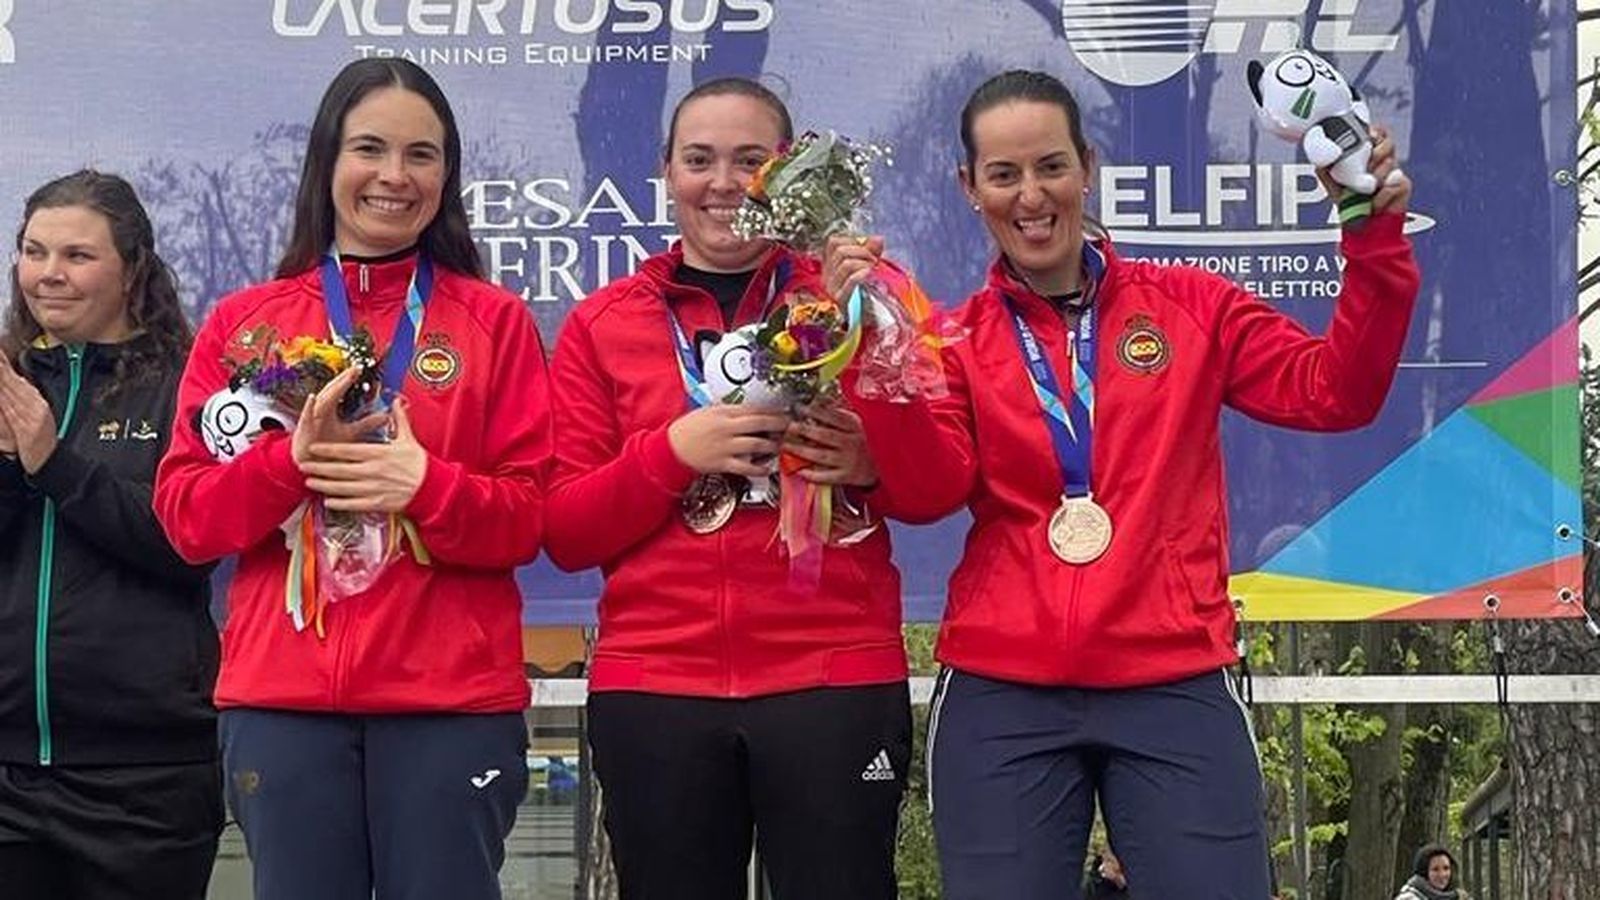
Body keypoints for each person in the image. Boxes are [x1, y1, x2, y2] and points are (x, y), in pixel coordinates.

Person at [827, 69, 1420, 900]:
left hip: (1172, 675)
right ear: (971, 188)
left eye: (1050, 166)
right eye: (1003, 175)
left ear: (1088, 166)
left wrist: (1373, 236)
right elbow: (927, 493)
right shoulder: (952, 341)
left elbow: (1337, 393)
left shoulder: (1191, 307)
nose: (1030, 196)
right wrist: (879, 357)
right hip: (1005, 692)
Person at [154, 58, 549, 900]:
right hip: (283, 702)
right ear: (328, 161)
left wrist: (426, 486)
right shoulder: (246, 323)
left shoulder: (496, 322)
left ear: (448, 173)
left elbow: (527, 521)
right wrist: (288, 462)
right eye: (370, 148)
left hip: (450, 704)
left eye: (423, 155)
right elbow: (188, 518)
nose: (395, 177)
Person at [545, 76, 911, 900]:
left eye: (750, 161)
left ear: (786, 174)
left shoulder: (848, 301)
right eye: (699, 159)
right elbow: (565, 530)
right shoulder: (601, 325)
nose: (722, 183)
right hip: (658, 688)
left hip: (832, 681)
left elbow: (937, 484)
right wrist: (673, 451)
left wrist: (871, 458)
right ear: (666, 172)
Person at [0, 171, 221, 899]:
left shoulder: (187, 383)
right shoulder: (10, 378)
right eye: (34, 252)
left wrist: (55, 463)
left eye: (76, 255)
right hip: (9, 777)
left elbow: (190, 545)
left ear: (133, 269)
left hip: (147, 781)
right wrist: (8, 469)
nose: (48, 275)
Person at [1396, 844, 1471, 900]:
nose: (1442, 875)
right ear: (1424, 872)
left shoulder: (1458, 896)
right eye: (1435, 869)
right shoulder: (1409, 897)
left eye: (1446, 868)